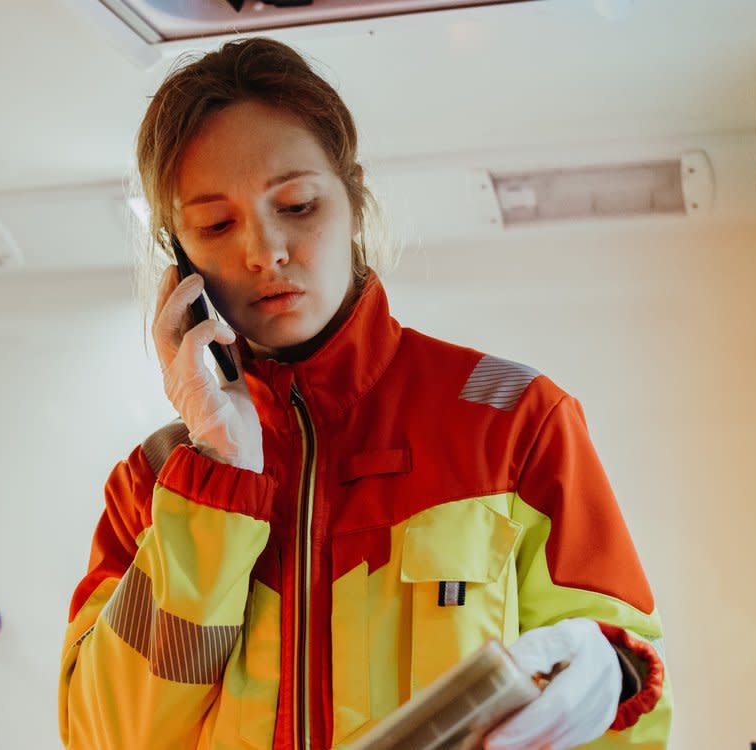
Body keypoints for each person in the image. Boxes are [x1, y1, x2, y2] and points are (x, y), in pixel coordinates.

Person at [59, 37, 671, 750]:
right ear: (180, 262)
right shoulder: (152, 484)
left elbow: (635, 721)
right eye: (216, 225)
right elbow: (107, 739)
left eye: (296, 204)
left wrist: (615, 676)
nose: (264, 252)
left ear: (353, 201)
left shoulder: (516, 421)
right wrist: (219, 481)